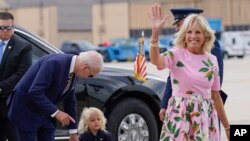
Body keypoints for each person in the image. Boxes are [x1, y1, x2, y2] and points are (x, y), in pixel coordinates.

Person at [148, 4, 230, 140]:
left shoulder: (212, 59)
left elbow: (216, 96)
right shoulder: (175, 54)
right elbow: (156, 60)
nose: (193, 36)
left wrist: (227, 127)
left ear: (205, 35)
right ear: (184, 35)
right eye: (189, 32)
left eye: (197, 32)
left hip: (205, 117)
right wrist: (155, 33)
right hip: (180, 114)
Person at [8, 51, 104, 141]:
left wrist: (73, 132)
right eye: (91, 75)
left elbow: (70, 100)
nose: (89, 78)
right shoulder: (54, 63)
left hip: (45, 111)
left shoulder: (75, 69)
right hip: (26, 110)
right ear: (84, 67)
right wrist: (56, 112)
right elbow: (35, 92)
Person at [0, 12, 32, 141]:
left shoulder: (23, 46)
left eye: (8, 27)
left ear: (13, 27)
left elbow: (23, 73)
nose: (5, 31)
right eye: (1, 28)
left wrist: (1, 87)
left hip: (10, 101)